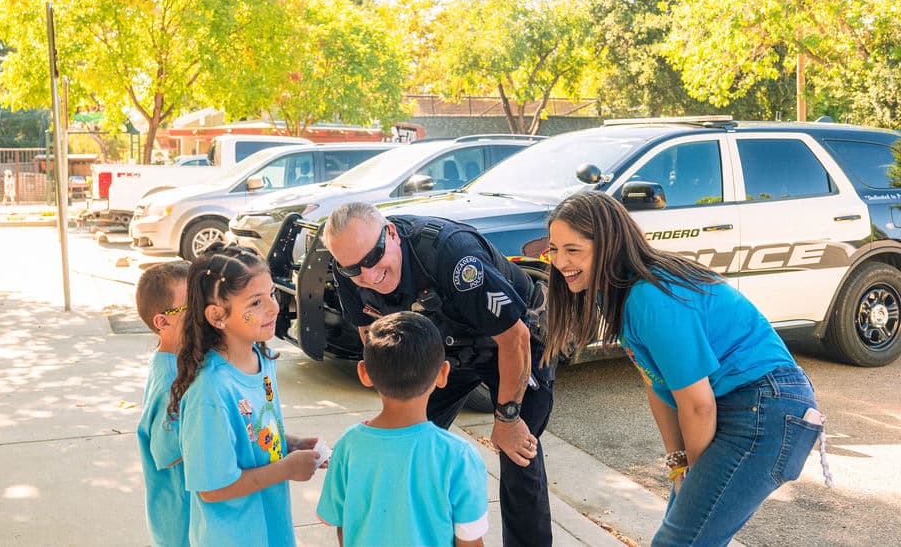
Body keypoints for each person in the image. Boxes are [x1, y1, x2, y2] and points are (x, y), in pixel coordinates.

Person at [544, 191, 827, 547]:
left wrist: (693, 472)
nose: (560, 261)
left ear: (610, 245)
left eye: (573, 249)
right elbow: (657, 384)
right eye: (553, 249)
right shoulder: (617, 291)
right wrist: (678, 463)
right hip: (749, 405)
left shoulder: (649, 296)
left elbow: (697, 405)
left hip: (765, 407)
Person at [321, 202, 554, 547]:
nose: (367, 276)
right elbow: (372, 338)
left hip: (510, 342)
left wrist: (507, 418)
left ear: (391, 233)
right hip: (441, 350)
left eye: (373, 258)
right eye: (354, 268)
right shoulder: (347, 270)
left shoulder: (453, 254)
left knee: (519, 452)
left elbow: (514, 337)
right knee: (405, 438)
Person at [167, 245, 321, 547]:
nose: (273, 308)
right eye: (256, 302)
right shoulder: (210, 393)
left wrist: (289, 444)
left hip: (271, 528)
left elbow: (249, 433)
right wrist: (286, 469)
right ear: (217, 315)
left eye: (272, 294)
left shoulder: (261, 360)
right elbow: (212, 488)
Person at [317, 311, 489, 547]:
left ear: (364, 373)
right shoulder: (459, 456)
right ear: (443, 374)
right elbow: (469, 540)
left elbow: (343, 524)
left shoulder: (348, 445)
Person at [135, 260, 192, 547]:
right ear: (162, 322)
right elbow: (169, 452)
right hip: (181, 524)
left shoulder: (181, 364)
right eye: (192, 307)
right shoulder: (171, 380)